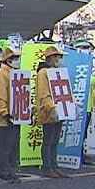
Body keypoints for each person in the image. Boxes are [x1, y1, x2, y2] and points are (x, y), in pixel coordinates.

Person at [34, 44, 67, 178]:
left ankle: (54, 165)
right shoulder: (43, 73)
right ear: (51, 58)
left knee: (54, 140)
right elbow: (43, 94)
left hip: (59, 110)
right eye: (57, 57)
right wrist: (52, 108)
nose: (59, 59)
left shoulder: (56, 71)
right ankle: (47, 167)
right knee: (48, 140)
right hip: (48, 111)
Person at [0, 47, 22, 182]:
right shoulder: (1, 74)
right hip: (4, 117)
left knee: (12, 146)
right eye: (14, 58)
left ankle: (10, 170)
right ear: (8, 60)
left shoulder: (14, 73)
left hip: (15, 116)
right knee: (4, 146)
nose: (17, 61)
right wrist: (4, 112)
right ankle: (3, 171)